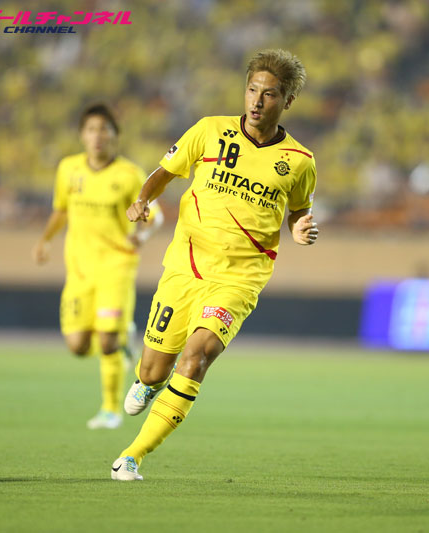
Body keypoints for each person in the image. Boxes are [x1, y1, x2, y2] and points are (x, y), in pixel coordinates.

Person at [111, 49, 318, 480]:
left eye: (269, 94)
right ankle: (148, 383)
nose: (257, 101)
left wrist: (299, 229)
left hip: (239, 279)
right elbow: (165, 172)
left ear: (287, 101)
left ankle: (132, 455)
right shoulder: (209, 131)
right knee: (153, 369)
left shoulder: (300, 161)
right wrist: (143, 199)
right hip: (185, 268)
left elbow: (299, 211)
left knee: (197, 356)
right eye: (252, 90)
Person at [32, 103, 162, 430]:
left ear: (116, 135)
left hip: (117, 265)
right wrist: (45, 240)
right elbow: (61, 210)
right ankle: (123, 344)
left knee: (106, 339)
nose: (98, 136)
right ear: (82, 135)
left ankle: (110, 410)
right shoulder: (68, 169)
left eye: (105, 129)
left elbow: (156, 216)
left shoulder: (130, 175)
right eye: (91, 129)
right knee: (77, 345)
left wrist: (142, 236)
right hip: (79, 269)